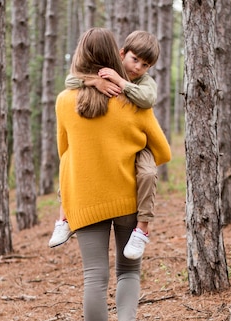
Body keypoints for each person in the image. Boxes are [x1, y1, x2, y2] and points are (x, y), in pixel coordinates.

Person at [55, 27, 171, 321]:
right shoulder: (131, 102)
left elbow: (64, 154)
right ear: (116, 56)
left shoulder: (63, 101)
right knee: (128, 270)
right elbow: (163, 150)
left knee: (94, 278)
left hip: (85, 201)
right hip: (127, 199)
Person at [49, 30, 161, 260]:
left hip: (140, 148)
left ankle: (142, 228)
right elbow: (71, 81)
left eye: (145, 65)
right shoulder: (106, 74)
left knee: (148, 174)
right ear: (121, 54)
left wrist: (121, 83)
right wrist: (95, 81)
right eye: (135, 60)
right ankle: (64, 217)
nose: (138, 67)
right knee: (69, 161)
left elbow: (147, 100)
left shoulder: (144, 82)